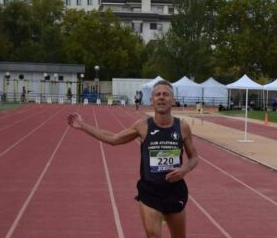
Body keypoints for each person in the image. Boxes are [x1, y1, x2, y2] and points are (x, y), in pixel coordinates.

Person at [67, 80, 198, 237]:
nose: (161, 97)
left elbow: (194, 158)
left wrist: (184, 170)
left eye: (166, 94)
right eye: (157, 94)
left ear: (173, 100)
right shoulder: (142, 126)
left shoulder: (182, 127)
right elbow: (114, 138)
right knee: (153, 235)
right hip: (150, 191)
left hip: (175, 191)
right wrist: (83, 125)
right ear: (151, 100)